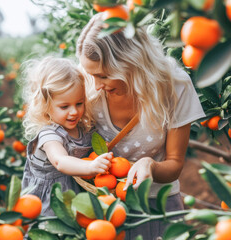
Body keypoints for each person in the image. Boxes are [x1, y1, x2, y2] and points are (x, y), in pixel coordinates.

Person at [76, 12, 205, 239]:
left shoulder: (174, 87)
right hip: (102, 207)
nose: (96, 85)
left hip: (157, 205)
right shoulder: (86, 87)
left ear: (131, 63)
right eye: (91, 75)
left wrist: (150, 166)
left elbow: (175, 163)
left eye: (104, 76)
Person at [20, 56, 113, 216]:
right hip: (50, 202)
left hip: (74, 196)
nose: (74, 112)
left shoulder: (83, 128)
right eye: (64, 106)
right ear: (45, 105)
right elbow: (60, 161)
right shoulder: (49, 135)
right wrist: (90, 167)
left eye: (79, 103)